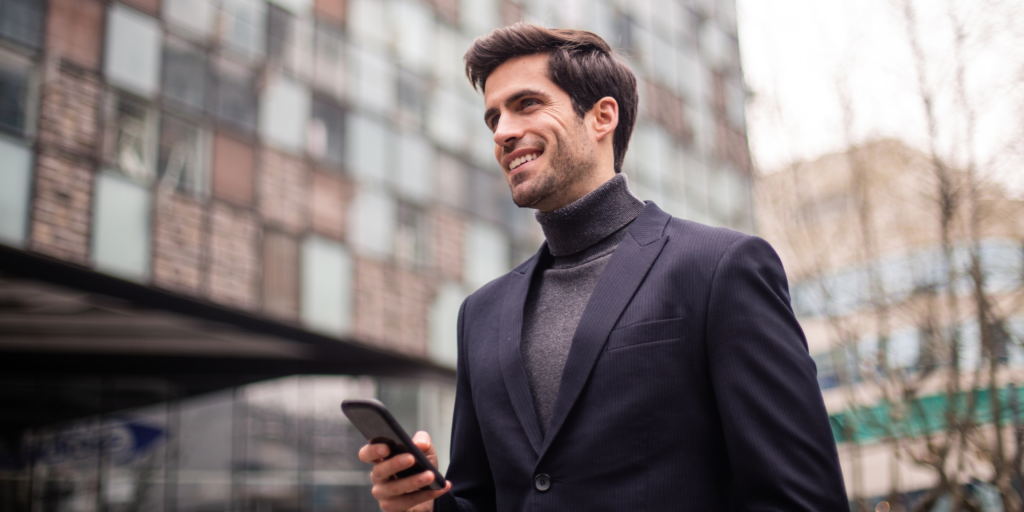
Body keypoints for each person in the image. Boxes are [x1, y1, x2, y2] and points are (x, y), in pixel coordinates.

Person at [358, 24, 848, 512]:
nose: (503, 132)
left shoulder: (720, 268)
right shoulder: (480, 314)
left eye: (526, 104)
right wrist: (425, 505)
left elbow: (802, 498)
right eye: (493, 119)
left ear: (601, 117)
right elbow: (481, 500)